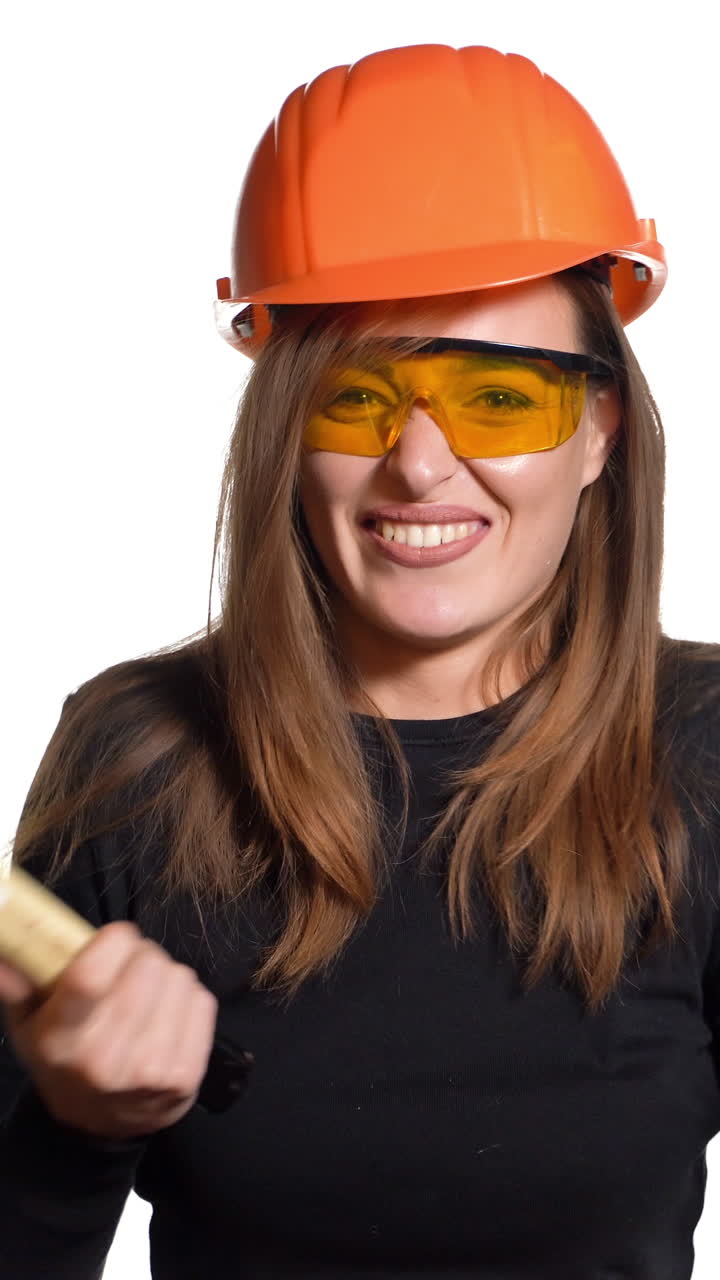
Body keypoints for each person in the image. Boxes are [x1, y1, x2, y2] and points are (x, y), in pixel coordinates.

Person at [1, 40, 719, 1280]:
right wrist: (74, 1129)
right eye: (355, 395)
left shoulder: (704, 749)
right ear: (287, 431)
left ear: (600, 430)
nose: (421, 466)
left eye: (500, 396)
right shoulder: (140, 754)